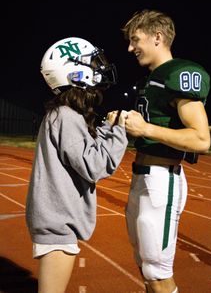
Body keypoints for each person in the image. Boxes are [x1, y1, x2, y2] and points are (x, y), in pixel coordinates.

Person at [25, 37, 128, 293]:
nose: (98, 68)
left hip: (56, 224)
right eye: (92, 63)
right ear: (74, 72)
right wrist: (119, 131)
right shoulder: (66, 116)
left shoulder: (64, 115)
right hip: (57, 226)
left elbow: (86, 152)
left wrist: (107, 127)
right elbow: (95, 165)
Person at [121, 9, 211, 293]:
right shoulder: (153, 77)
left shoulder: (178, 73)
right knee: (146, 269)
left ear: (157, 37)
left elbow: (200, 139)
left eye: (136, 40)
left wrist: (145, 129)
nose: (130, 48)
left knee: (157, 272)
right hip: (142, 178)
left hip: (162, 178)